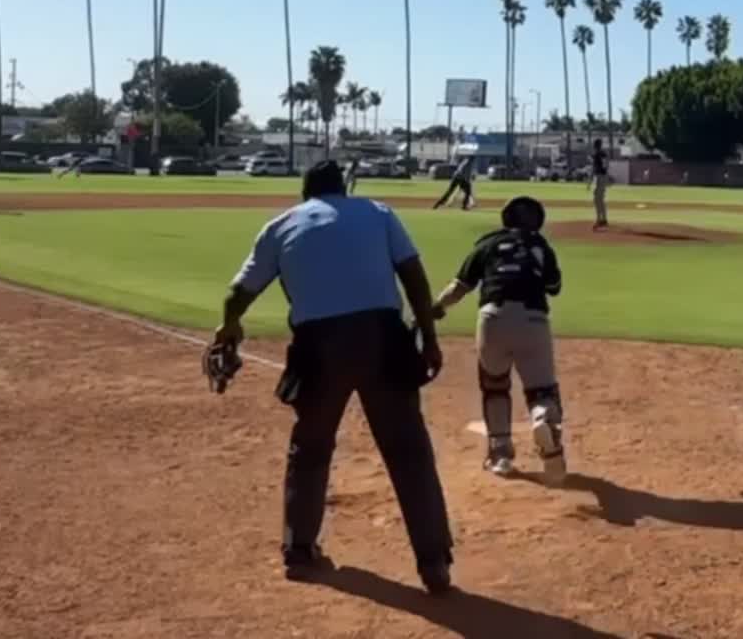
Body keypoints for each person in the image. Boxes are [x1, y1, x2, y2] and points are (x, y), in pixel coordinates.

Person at [211, 160, 455, 593]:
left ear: (306, 192)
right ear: (343, 189)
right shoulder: (378, 213)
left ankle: (299, 551)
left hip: (319, 345)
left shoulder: (281, 225)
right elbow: (414, 276)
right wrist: (429, 339)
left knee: (311, 447)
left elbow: (238, 292)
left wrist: (228, 327)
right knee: (409, 450)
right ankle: (433, 561)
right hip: (384, 337)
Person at [431, 196, 567, 484]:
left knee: (494, 387)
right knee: (542, 390)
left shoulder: (488, 244)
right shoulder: (541, 247)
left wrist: (438, 308)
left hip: (492, 318)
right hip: (533, 320)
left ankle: (500, 454)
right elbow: (554, 287)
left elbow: (459, 287)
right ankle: (543, 421)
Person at [588, 139, 610, 231]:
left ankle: (599, 220)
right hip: (602, 177)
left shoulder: (597, 155)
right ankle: (604, 219)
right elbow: (606, 164)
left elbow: (595, 168)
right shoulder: (602, 154)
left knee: (597, 199)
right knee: (600, 199)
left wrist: (590, 181)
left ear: (595, 145)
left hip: (600, 177)